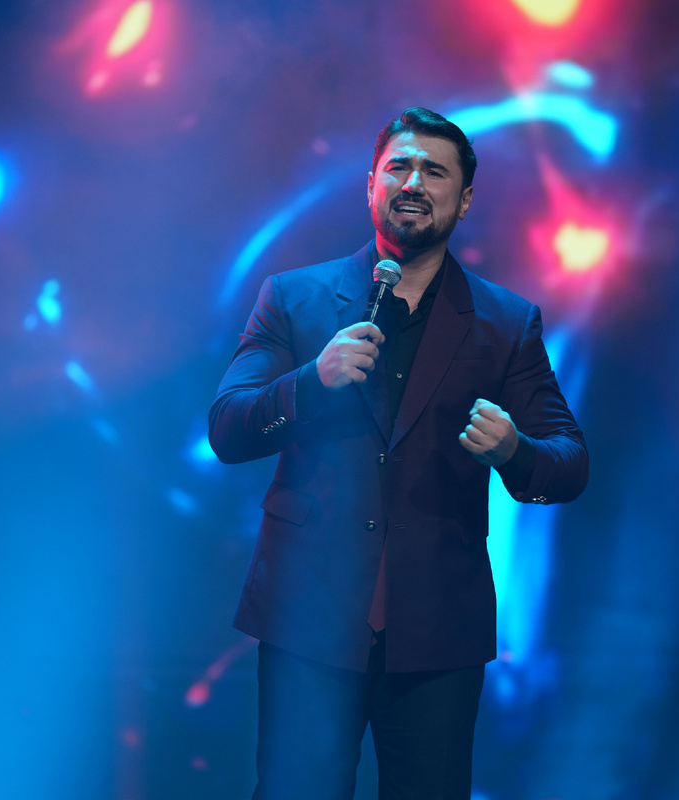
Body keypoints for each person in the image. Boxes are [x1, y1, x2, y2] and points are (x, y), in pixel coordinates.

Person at [209, 107, 588, 800]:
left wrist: (514, 450)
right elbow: (229, 429)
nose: (413, 183)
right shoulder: (294, 298)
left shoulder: (505, 322)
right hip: (308, 623)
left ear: (464, 200)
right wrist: (309, 383)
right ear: (371, 186)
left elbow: (568, 462)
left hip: (437, 635)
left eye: (434, 172)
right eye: (399, 168)